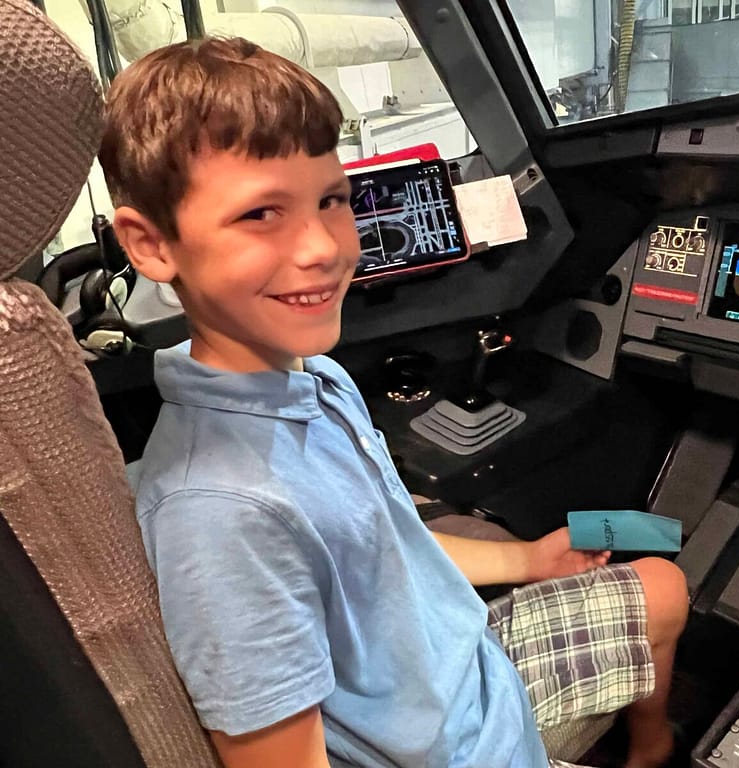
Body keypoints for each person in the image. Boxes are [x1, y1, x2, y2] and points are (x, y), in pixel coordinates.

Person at [100, 37, 689, 768]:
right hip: (472, 750)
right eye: (261, 214)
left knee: (662, 587)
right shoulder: (224, 514)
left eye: (331, 200)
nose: (322, 247)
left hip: (469, 669)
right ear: (151, 246)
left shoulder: (313, 376)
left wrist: (527, 559)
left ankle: (650, 752)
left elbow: (384, 548)